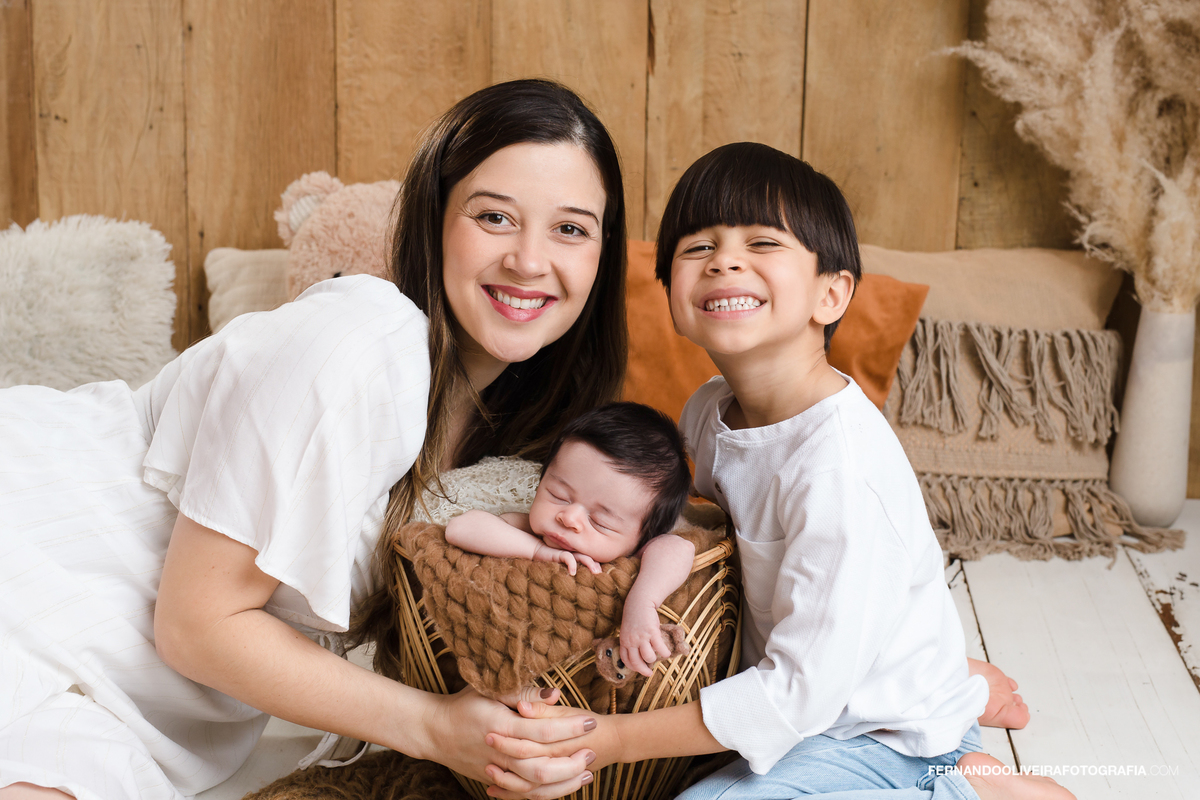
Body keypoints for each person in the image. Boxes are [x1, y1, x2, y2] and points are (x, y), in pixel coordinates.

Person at [0, 79, 620, 800]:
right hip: (38, 564)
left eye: (571, 229)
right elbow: (198, 625)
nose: (528, 260)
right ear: (435, 220)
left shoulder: (515, 453)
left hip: (139, 700)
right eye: (494, 217)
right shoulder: (358, 340)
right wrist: (436, 728)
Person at [482, 142, 1072, 800]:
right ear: (670, 294)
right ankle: (940, 690)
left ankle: (962, 784)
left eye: (762, 243)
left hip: (867, 732)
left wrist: (606, 740)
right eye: (698, 247)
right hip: (812, 686)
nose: (725, 259)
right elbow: (703, 545)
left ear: (831, 294)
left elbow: (795, 698)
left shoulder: (839, 469)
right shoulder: (710, 410)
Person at [446, 401, 697, 678]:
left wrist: (642, 602)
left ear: (641, 537)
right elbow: (459, 528)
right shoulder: (525, 531)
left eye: (600, 521)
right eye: (558, 495)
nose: (569, 518)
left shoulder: (634, 553)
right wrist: (537, 549)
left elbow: (680, 548)